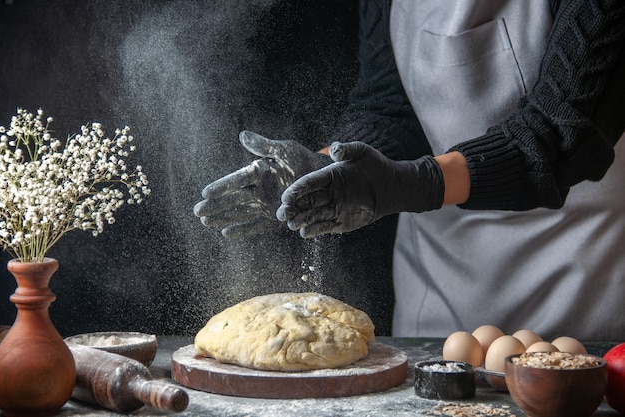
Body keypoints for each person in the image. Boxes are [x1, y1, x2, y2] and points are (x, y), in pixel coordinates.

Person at [194, 0, 625, 341]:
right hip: (437, 294)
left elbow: (556, 136)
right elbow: (389, 104)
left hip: (580, 281)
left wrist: (413, 184)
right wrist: (327, 165)